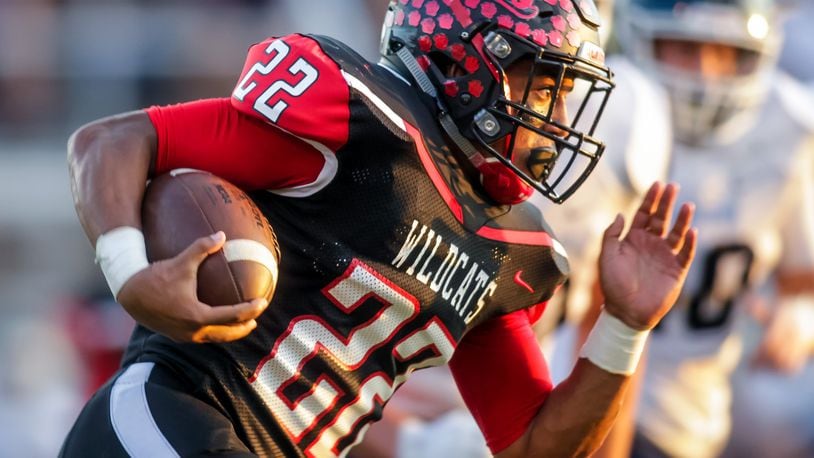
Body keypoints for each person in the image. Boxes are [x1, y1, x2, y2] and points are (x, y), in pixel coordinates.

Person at [59, 1, 698, 456]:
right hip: (176, 407)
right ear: (470, 62)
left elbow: (532, 446)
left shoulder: (507, 250)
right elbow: (113, 141)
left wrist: (624, 326)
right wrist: (130, 274)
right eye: (542, 87)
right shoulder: (355, 120)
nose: (556, 119)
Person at [611, 0, 814, 456]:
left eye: (723, 52)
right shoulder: (606, 112)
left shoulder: (789, 125)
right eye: (683, 48)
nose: (702, 75)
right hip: (576, 380)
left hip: (688, 412)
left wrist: (800, 314)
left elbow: (802, 279)